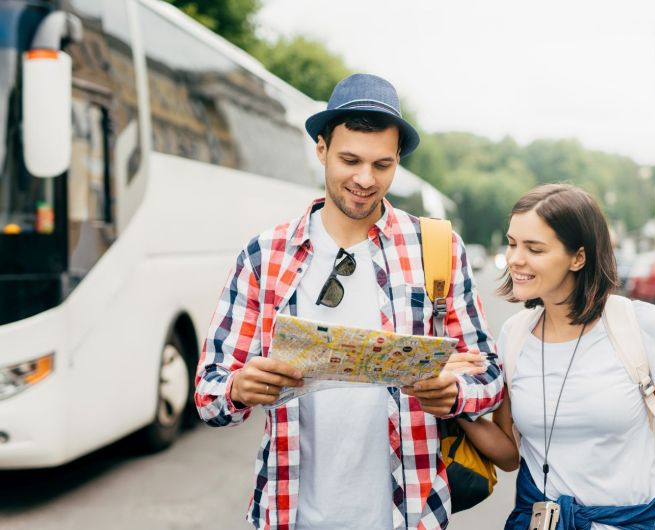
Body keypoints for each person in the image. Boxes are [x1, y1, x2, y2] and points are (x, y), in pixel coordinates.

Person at [194, 73, 505, 530]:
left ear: (398, 158)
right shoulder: (264, 256)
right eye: (350, 160)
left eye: (382, 165)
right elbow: (208, 392)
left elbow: (490, 375)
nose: (364, 179)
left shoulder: (437, 248)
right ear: (320, 149)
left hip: (411, 515)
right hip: (289, 514)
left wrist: (455, 395)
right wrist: (239, 388)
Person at [457, 184, 655, 529]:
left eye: (534, 248)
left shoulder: (638, 324)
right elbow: (507, 455)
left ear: (578, 257)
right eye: (512, 243)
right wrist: (452, 403)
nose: (515, 258)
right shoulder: (514, 335)